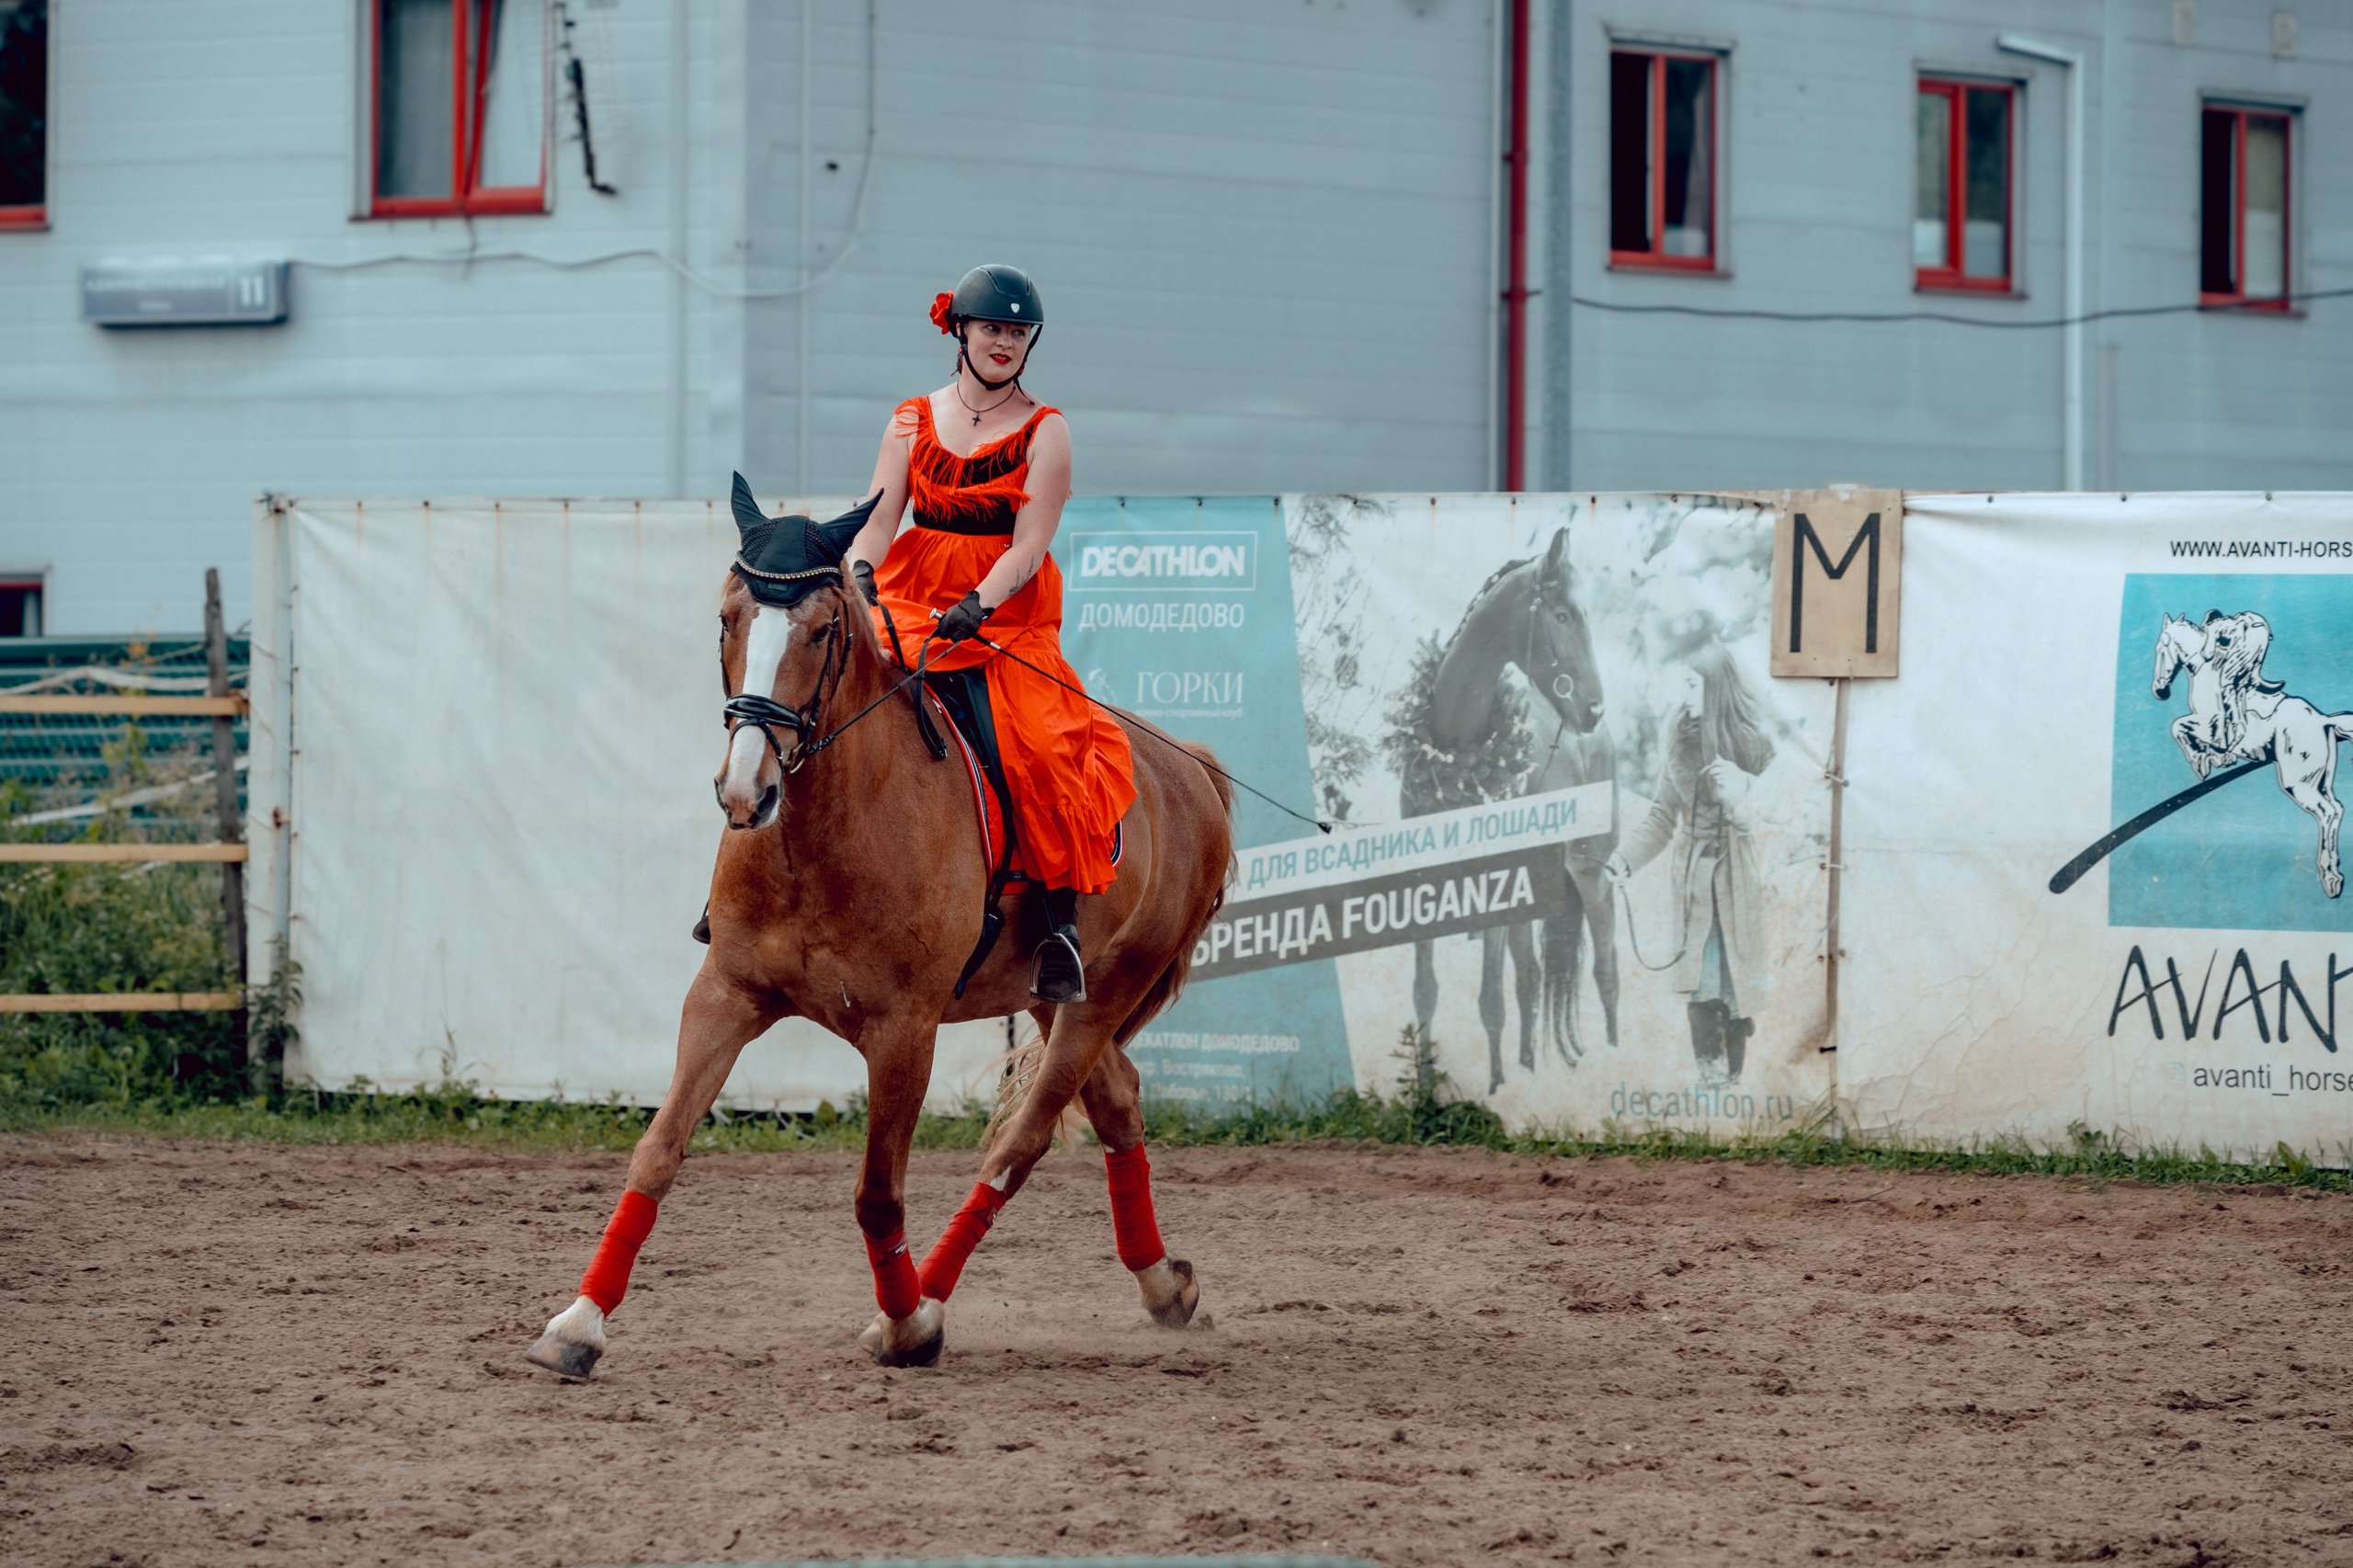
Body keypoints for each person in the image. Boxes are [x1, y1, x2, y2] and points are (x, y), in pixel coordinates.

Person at [844, 265, 1136, 1004]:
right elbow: (877, 518)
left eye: (1017, 332)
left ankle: (1058, 928)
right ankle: (748, 886)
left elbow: (1030, 544)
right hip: (910, 598)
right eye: (991, 328)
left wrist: (979, 603)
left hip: (1004, 613)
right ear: (961, 331)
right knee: (814, 692)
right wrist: (860, 571)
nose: (1003, 342)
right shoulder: (910, 419)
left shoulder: (1047, 430)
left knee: (1042, 747)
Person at [1607, 641, 1776, 1085]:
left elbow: (1780, 810)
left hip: (1739, 881)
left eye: (1691, 684)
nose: (1683, 695)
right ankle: (1710, 1082)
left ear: (1716, 687)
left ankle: (1732, 1081)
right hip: (1694, 883)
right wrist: (1625, 859)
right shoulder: (1679, 740)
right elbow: (1662, 816)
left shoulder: (1754, 742)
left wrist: (1743, 788)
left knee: (1735, 986)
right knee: (1701, 984)